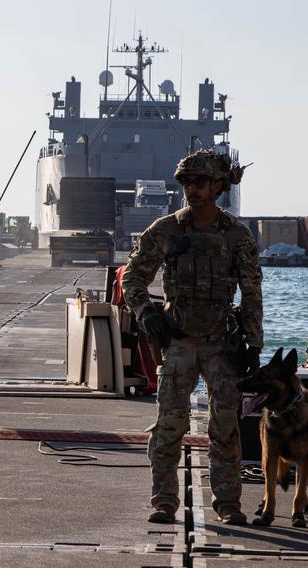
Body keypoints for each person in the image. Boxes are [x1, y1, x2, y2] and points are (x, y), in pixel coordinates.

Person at [121, 149, 262, 525]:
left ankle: (228, 504)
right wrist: (146, 312)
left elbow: (251, 292)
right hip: (179, 341)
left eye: (199, 182)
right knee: (169, 424)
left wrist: (254, 345)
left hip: (220, 343)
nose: (191, 189)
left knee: (226, 427)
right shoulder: (166, 230)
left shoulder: (236, 235)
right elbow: (132, 277)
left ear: (217, 186)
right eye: (185, 183)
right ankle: (164, 501)